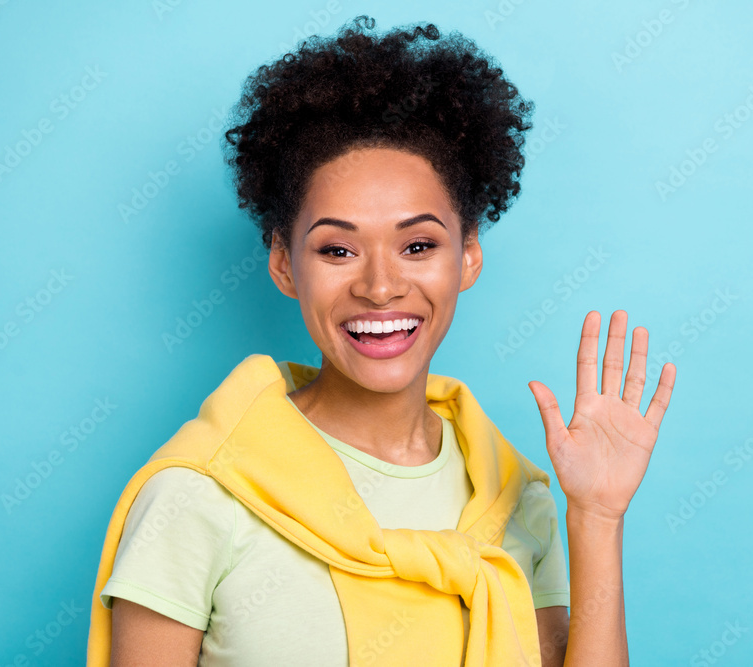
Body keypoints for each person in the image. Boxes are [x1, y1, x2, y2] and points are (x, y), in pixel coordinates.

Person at [87, 15, 675, 666]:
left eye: (418, 244)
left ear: (469, 254)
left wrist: (596, 515)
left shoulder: (516, 499)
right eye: (337, 248)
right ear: (284, 263)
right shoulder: (195, 495)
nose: (380, 285)